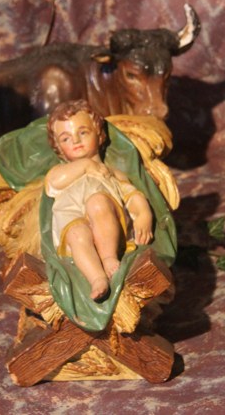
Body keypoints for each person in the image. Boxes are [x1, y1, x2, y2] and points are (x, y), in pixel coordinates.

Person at [45, 100, 154, 301]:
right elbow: (52, 183)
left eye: (83, 132)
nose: (76, 140)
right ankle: (97, 278)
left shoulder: (112, 173)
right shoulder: (61, 172)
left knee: (97, 202)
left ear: (99, 133)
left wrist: (144, 214)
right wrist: (86, 165)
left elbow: (132, 195)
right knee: (77, 234)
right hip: (72, 220)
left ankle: (108, 257)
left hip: (107, 218)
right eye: (66, 138)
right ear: (58, 147)